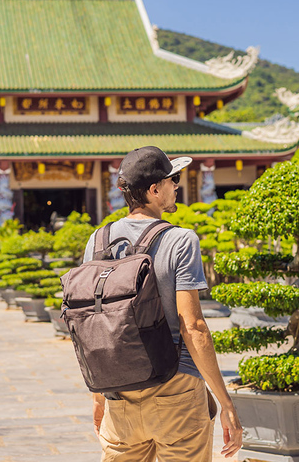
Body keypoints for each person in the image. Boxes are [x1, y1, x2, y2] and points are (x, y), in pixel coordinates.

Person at [82, 146, 243, 461]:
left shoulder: (97, 242)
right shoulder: (180, 240)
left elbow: (91, 326)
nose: (177, 186)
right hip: (176, 389)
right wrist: (226, 404)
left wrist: (99, 396)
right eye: (173, 179)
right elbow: (193, 327)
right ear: (155, 190)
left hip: (119, 388)